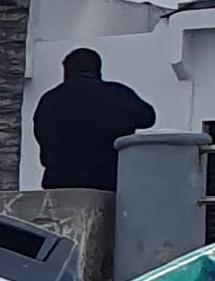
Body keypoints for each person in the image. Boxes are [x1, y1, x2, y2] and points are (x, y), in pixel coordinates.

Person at [31, 47, 154, 192]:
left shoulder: (49, 100)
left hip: (58, 182)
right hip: (108, 182)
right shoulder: (118, 95)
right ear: (98, 70)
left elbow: (40, 131)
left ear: (66, 71)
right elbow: (148, 118)